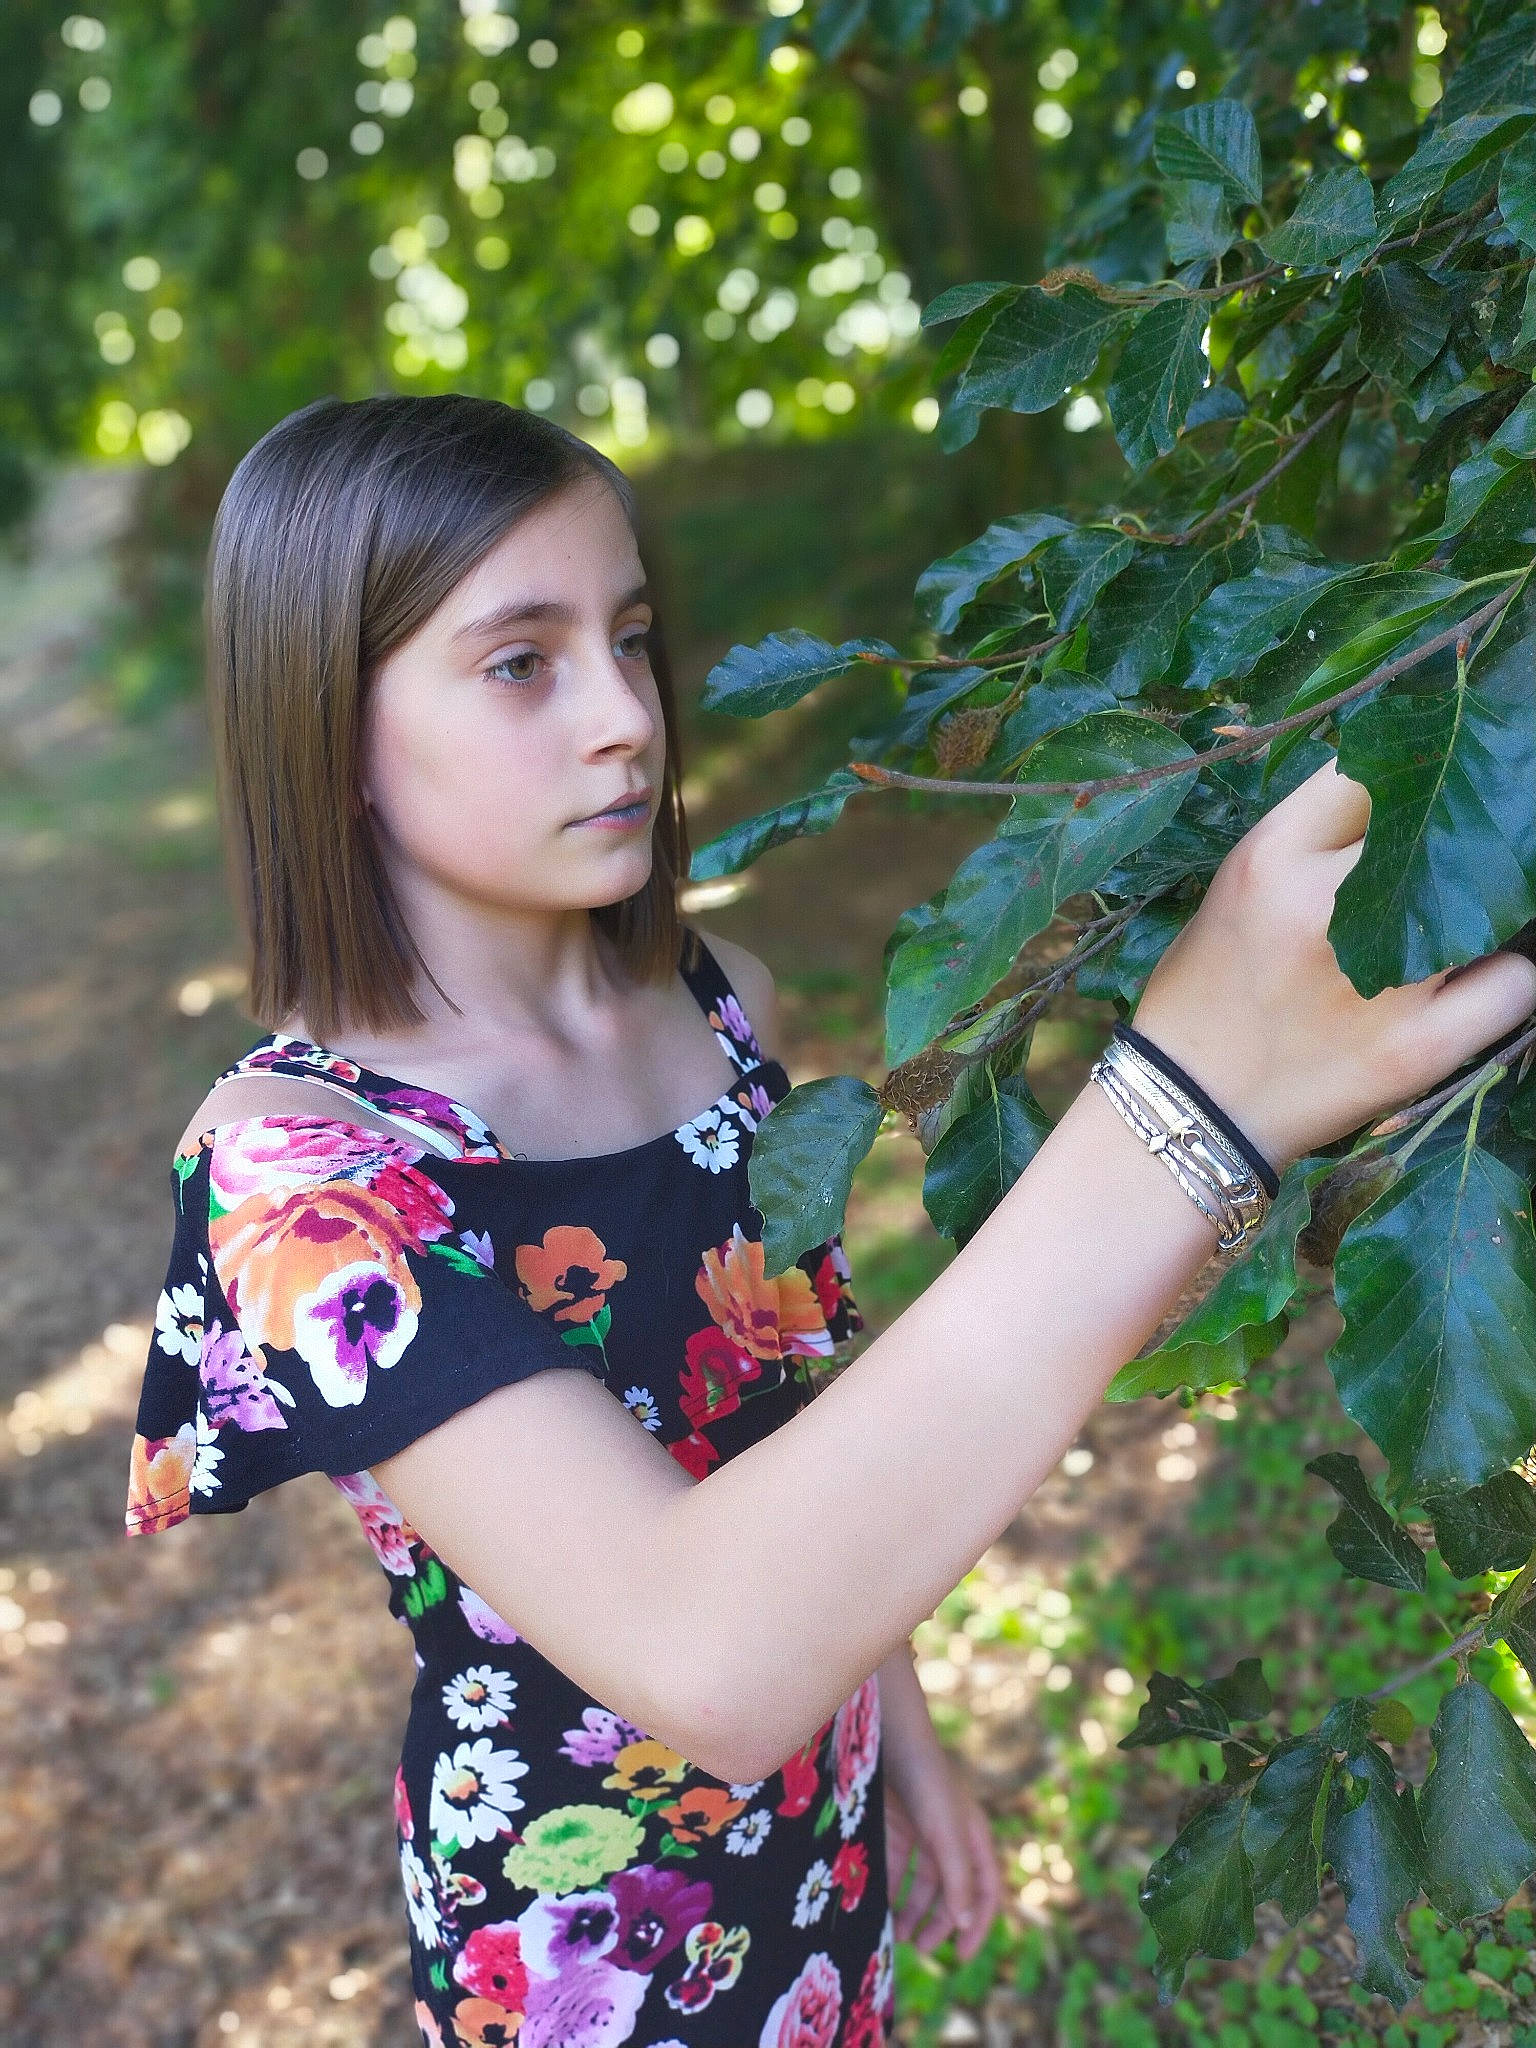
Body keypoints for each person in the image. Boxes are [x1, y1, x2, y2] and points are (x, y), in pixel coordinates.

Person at [123, 393, 1536, 2048]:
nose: (628, 717)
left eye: (631, 637)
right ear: (328, 729)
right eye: (523, 662)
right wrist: (1187, 1100)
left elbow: (789, 1422)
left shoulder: (720, 1009)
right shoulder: (300, 1180)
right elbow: (704, 1644)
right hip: (577, 1936)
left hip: (821, 1835)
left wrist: (901, 1737)